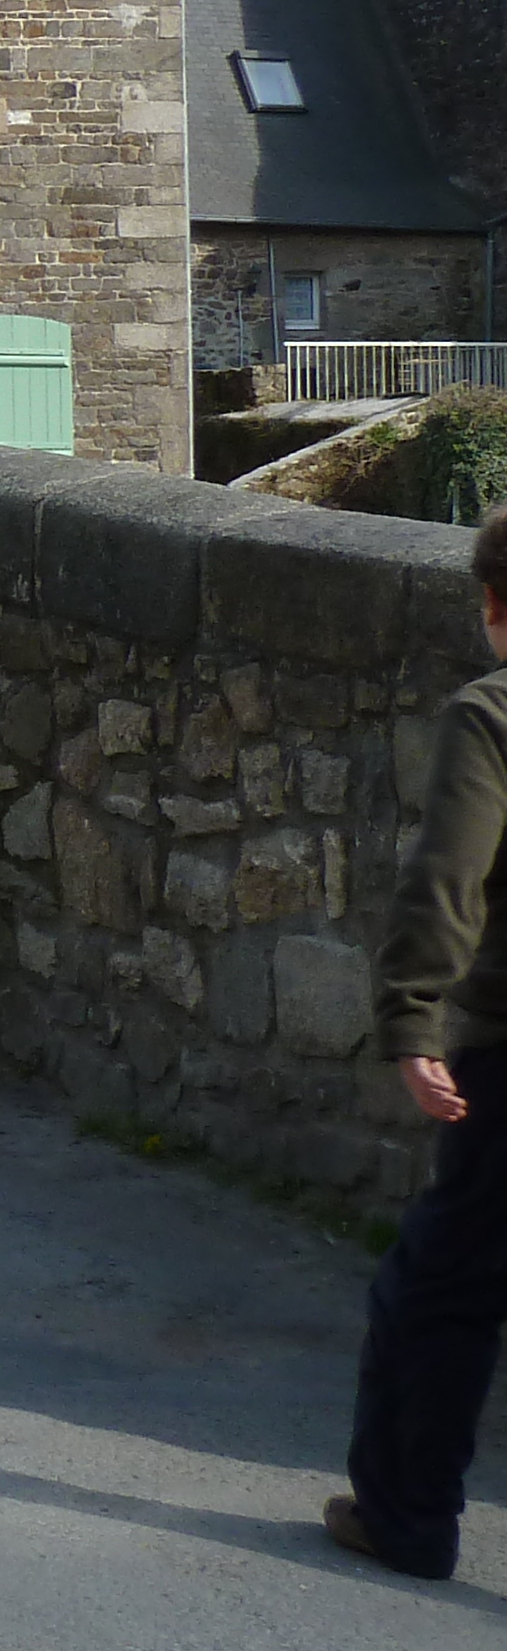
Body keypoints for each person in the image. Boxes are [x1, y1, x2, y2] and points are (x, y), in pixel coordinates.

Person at [328, 505, 507, 1581]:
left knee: (439, 1287)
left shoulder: (490, 715)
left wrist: (409, 1015)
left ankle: (405, 1514)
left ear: (492, 608)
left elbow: (448, 877)